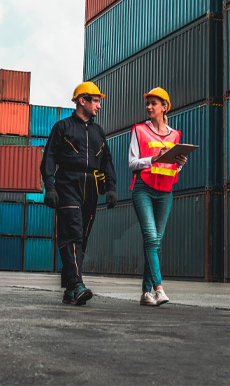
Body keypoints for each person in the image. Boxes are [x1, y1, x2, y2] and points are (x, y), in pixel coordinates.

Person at [41, 82, 117, 305]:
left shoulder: (98, 131)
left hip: (90, 187)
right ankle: (77, 284)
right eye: (96, 100)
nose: (99, 106)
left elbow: (107, 161)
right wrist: (50, 187)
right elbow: (49, 158)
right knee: (72, 233)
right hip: (67, 184)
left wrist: (111, 187)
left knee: (82, 238)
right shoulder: (62, 127)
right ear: (81, 100)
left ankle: (70, 288)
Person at [128, 87, 187, 306]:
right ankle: (159, 288)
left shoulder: (175, 135)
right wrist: (152, 159)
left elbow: (173, 168)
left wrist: (179, 165)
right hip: (143, 187)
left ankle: (145, 293)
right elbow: (132, 163)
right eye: (148, 103)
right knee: (151, 239)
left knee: (155, 243)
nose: (149, 107)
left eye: (154, 103)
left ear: (165, 107)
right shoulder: (139, 130)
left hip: (165, 191)